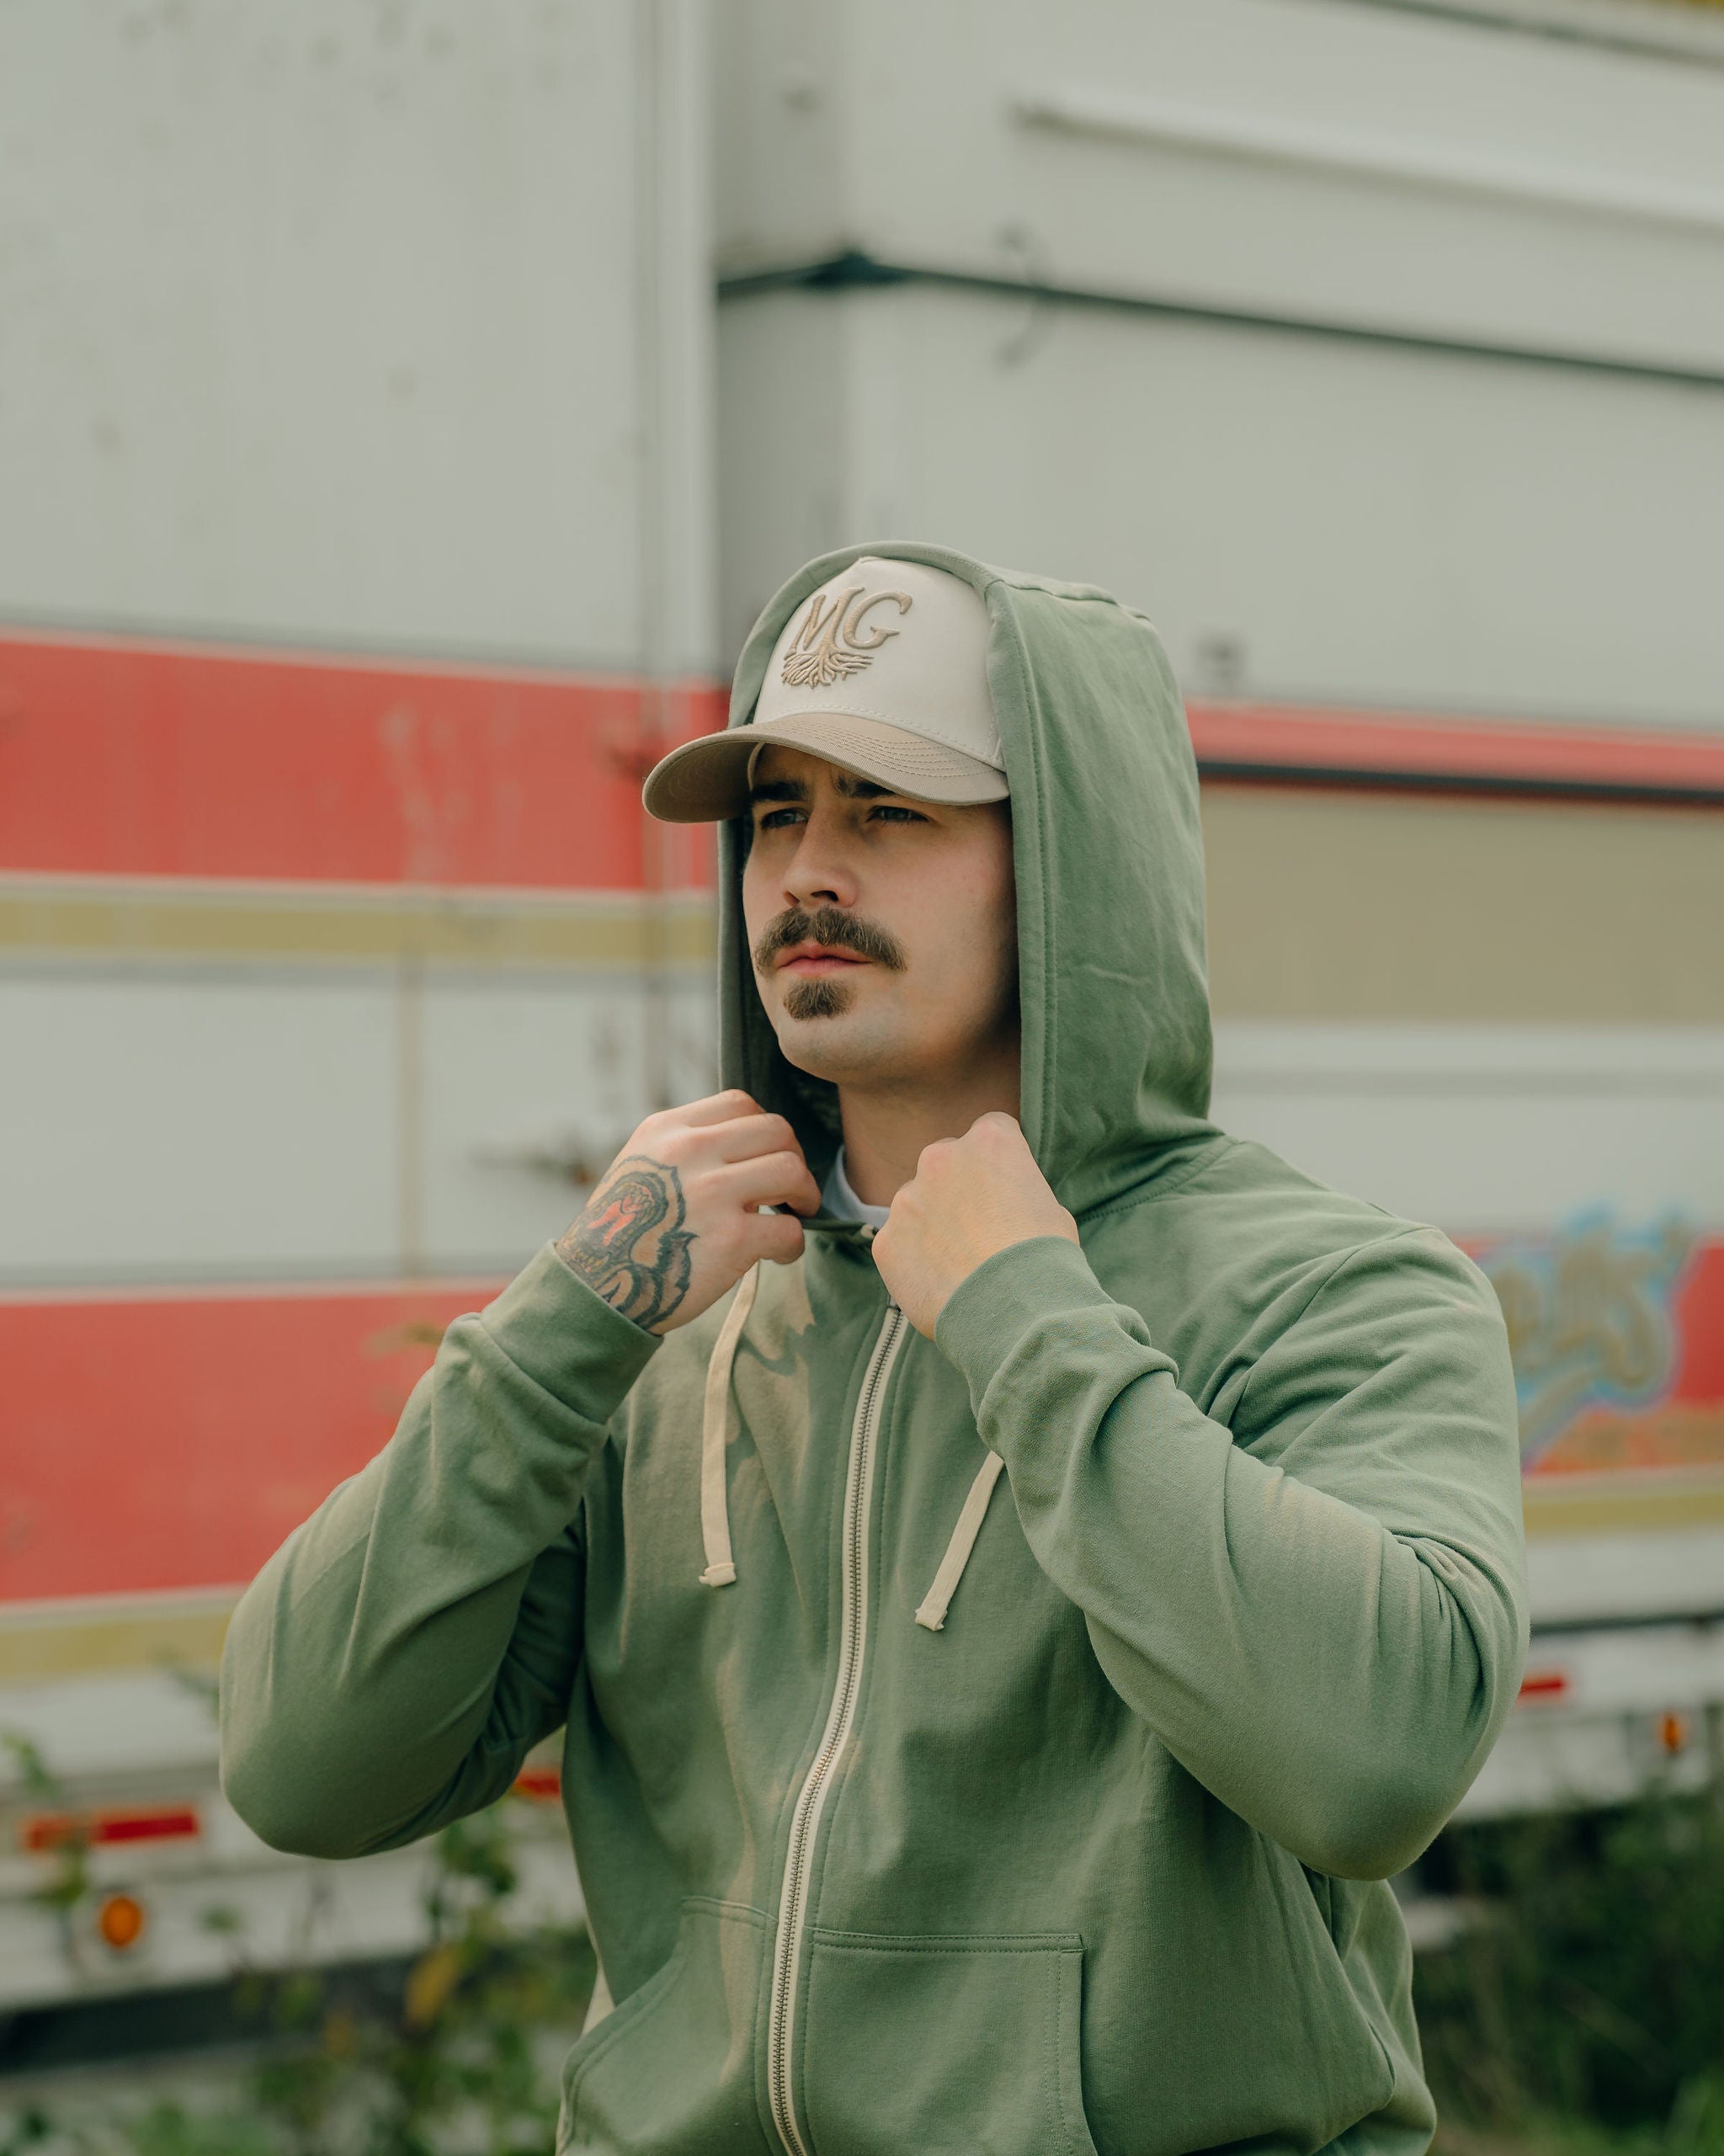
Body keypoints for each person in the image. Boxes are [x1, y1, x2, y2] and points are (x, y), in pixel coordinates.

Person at [221, 545, 1527, 2153]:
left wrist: (1029, 1315)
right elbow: (301, 1769)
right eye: (777, 814)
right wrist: (569, 1317)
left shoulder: (1333, 1290)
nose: (805, 873)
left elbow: (1377, 1761)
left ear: (1069, 864)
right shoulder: (669, 1327)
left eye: (888, 810)